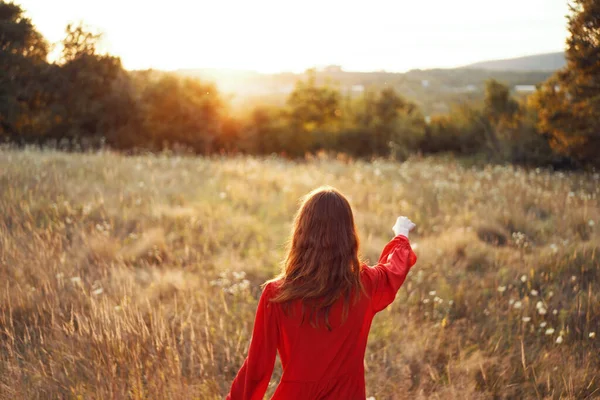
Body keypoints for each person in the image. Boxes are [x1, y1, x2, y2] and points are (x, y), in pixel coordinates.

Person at [226, 186, 417, 400]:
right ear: (347, 235)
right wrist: (401, 235)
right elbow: (393, 270)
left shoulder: (277, 294)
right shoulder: (363, 285)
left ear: (301, 232)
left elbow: (257, 368)